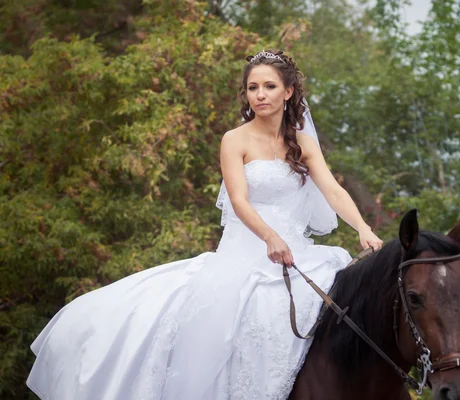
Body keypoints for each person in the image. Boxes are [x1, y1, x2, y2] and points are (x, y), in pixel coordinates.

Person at [26, 49, 383, 400]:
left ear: (288, 92)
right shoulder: (235, 140)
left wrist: (363, 229)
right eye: (252, 87)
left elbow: (333, 190)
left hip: (297, 252)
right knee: (221, 324)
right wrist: (269, 236)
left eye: (269, 86)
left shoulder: (303, 144)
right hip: (247, 251)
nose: (260, 95)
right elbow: (239, 200)